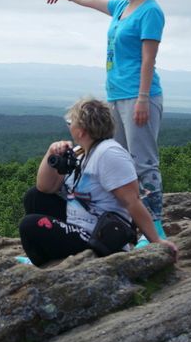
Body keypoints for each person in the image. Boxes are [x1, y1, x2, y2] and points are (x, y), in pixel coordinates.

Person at [44, 0, 166, 240]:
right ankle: (125, 227)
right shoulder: (123, 7)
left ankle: (156, 227)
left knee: (143, 163)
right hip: (118, 96)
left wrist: (143, 99)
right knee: (115, 161)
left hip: (138, 97)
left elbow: (149, 59)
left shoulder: (151, 12)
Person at [18, 97, 177, 266]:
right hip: (79, 226)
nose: (68, 125)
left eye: (70, 122)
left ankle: (43, 264)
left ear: (81, 131)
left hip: (103, 236)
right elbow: (45, 187)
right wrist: (51, 153)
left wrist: (156, 241)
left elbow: (132, 201)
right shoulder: (80, 152)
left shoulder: (109, 153)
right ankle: (45, 258)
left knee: (29, 225)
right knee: (34, 197)